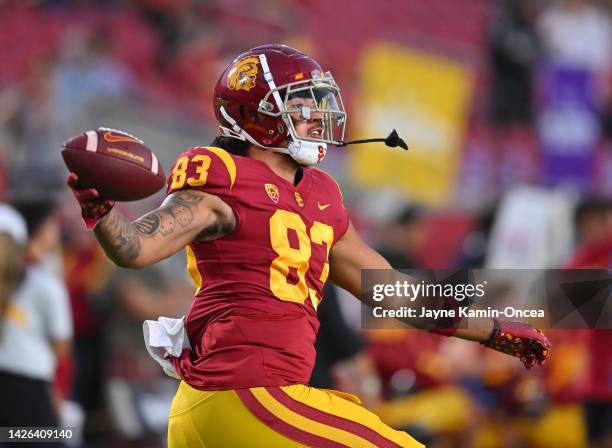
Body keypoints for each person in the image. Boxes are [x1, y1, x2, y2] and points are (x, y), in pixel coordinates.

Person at [66, 44, 551, 447]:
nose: (319, 114)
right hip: (248, 393)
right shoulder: (224, 173)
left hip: (234, 403)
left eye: (320, 102)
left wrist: (492, 331)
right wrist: (104, 213)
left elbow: (394, 294)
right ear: (255, 111)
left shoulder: (320, 194)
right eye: (301, 102)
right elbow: (137, 248)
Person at [0, 203, 72, 444]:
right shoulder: (46, 284)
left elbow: (61, 345)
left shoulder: (43, 284)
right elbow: (61, 344)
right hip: (29, 390)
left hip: (30, 390)